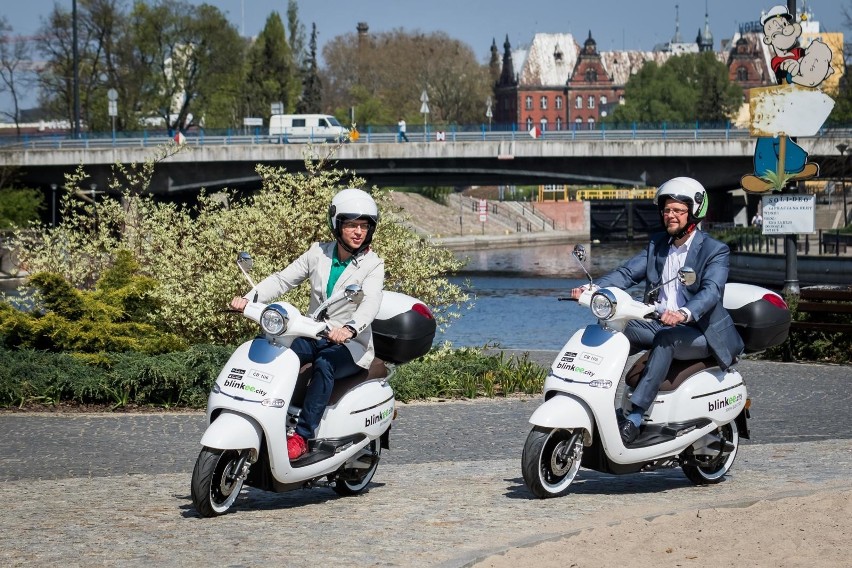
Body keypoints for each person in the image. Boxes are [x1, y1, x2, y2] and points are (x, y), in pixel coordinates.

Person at [571, 177, 744, 445]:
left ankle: (635, 418)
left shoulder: (715, 250)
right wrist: (591, 288)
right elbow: (627, 274)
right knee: (614, 329)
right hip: (659, 323)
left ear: (694, 212)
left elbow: (711, 292)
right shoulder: (657, 245)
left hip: (700, 332)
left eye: (677, 210)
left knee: (666, 340)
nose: (670, 216)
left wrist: (684, 313)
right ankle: (595, 398)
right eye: (666, 210)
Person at [230, 188, 385, 460]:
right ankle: (260, 413)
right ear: (337, 225)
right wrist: (249, 299)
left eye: (364, 226)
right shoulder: (318, 253)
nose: (358, 232)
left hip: (351, 344)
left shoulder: (373, 265)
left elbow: (370, 303)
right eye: (351, 225)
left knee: (325, 365)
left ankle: (302, 436)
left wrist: (348, 329)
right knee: (277, 351)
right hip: (313, 332)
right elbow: (282, 280)